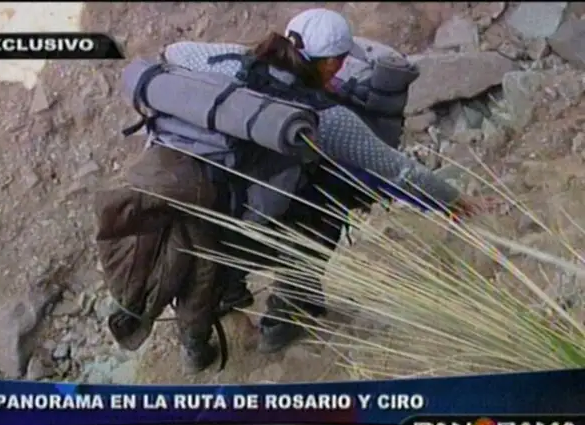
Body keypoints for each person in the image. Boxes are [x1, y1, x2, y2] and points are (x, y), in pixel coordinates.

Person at [95, 8, 492, 374]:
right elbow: (397, 171)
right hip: (237, 222)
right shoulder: (326, 120)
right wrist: (454, 201)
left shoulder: (220, 61)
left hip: (175, 189)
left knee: (198, 255)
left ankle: (197, 346)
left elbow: (175, 51)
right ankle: (284, 320)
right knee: (324, 215)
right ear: (334, 64)